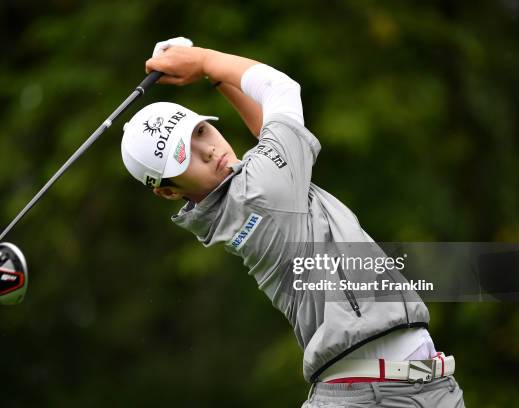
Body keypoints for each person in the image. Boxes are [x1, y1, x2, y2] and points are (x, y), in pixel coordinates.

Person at [121, 37, 466, 407]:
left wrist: (220, 81)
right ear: (169, 192)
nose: (208, 150)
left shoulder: (242, 197)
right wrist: (205, 61)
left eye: (201, 131)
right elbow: (282, 89)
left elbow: (269, 133)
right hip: (373, 396)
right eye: (184, 155)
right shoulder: (262, 191)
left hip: (417, 388)